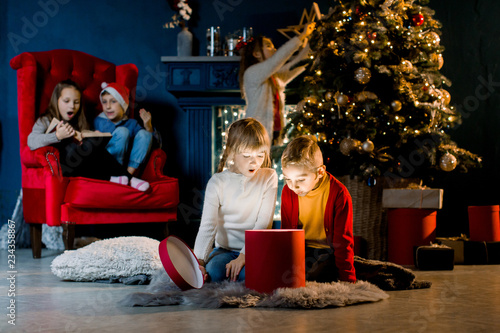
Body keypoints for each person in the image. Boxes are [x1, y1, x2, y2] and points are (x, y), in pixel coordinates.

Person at [193, 118, 278, 282]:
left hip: (256, 248)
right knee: (215, 272)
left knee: (252, 274)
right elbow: (208, 227)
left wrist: (244, 256)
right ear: (232, 152)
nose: (255, 162)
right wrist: (199, 262)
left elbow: (263, 224)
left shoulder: (269, 177)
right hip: (224, 250)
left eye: (260, 155)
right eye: (247, 155)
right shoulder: (217, 182)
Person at [27, 79, 149, 191]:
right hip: (65, 167)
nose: (72, 106)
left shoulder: (80, 121)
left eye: (76, 102)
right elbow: (31, 141)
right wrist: (57, 136)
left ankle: (120, 179)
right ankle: (120, 178)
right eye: (66, 101)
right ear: (57, 100)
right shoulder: (46, 120)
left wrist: (93, 136)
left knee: (92, 144)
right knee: (79, 149)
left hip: (84, 165)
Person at [280, 135, 356, 283]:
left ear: (320, 172)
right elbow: (287, 234)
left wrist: (348, 280)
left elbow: (343, 241)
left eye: (301, 179)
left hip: (328, 252)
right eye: (288, 179)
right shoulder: (288, 192)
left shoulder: (339, 194)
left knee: (316, 275)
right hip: (301, 250)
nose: (293, 186)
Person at [239, 23, 315, 144]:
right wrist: (302, 36)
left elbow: (297, 64)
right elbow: (277, 60)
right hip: (256, 135)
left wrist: (313, 41)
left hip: (275, 133)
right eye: (268, 46)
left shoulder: (274, 76)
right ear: (256, 53)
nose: (274, 49)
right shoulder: (251, 73)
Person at [95, 82, 156, 177]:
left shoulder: (132, 123)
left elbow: (150, 145)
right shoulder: (98, 121)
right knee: (122, 131)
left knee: (145, 134)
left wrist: (148, 126)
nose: (108, 106)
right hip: (105, 166)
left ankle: (127, 176)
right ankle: (117, 175)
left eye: (113, 101)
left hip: (128, 168)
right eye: (104, 102)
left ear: (123, 105)